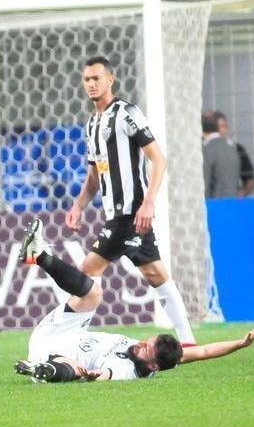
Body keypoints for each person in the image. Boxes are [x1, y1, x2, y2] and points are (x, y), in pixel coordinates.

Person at [15, 218, 254, 382]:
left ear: (153, 367)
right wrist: (241, 343)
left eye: (147, 348)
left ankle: (44, 369)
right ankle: (39, 255)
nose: (142, 343)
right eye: (148, 341)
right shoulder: (163, 356)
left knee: (76, 369)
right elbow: (203, 351)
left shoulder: (128, 370)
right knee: (94, 294)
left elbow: (105, 374)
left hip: (53, 353)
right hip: (60, 331)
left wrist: (95, 375)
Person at [64, 56, 198, 347]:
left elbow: (158, 159)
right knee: (155, 273)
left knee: (88, 269)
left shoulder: (126, 113)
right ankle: (188, 341)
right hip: (120, 216)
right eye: (87, 79)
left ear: (110, 80)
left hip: (131, 213)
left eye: (96, 78)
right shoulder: (91, 125)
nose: (91, 84)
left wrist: (149, 202)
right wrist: (78, 205)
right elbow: (94, 176)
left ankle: (71, 336)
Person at [202, 110, 241, 199]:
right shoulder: (232, 147)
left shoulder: (207, 149)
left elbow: (205, 184)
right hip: (232, 202)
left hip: (213, 203)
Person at [216, 111, 254, 196]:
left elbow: (250, 180)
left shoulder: (237, 149)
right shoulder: (202, 151)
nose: (219, 131)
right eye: (216, 128)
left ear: (227, 128)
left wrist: (239, 194)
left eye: (222, 126)